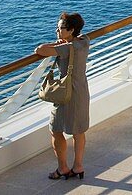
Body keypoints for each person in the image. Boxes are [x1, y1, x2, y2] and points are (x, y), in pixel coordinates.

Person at [36, 12, 89, 181]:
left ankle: (63, 168)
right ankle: (78, 166)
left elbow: (40, 50)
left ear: (71, 30)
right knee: (78, 131)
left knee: (55, 130)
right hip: (81, 92)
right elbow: (69, 45)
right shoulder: (84, 41)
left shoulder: (65, 49)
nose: (57, 31)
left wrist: (56, 44)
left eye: (60, 28)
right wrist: (63, 41)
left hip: (67, 94)